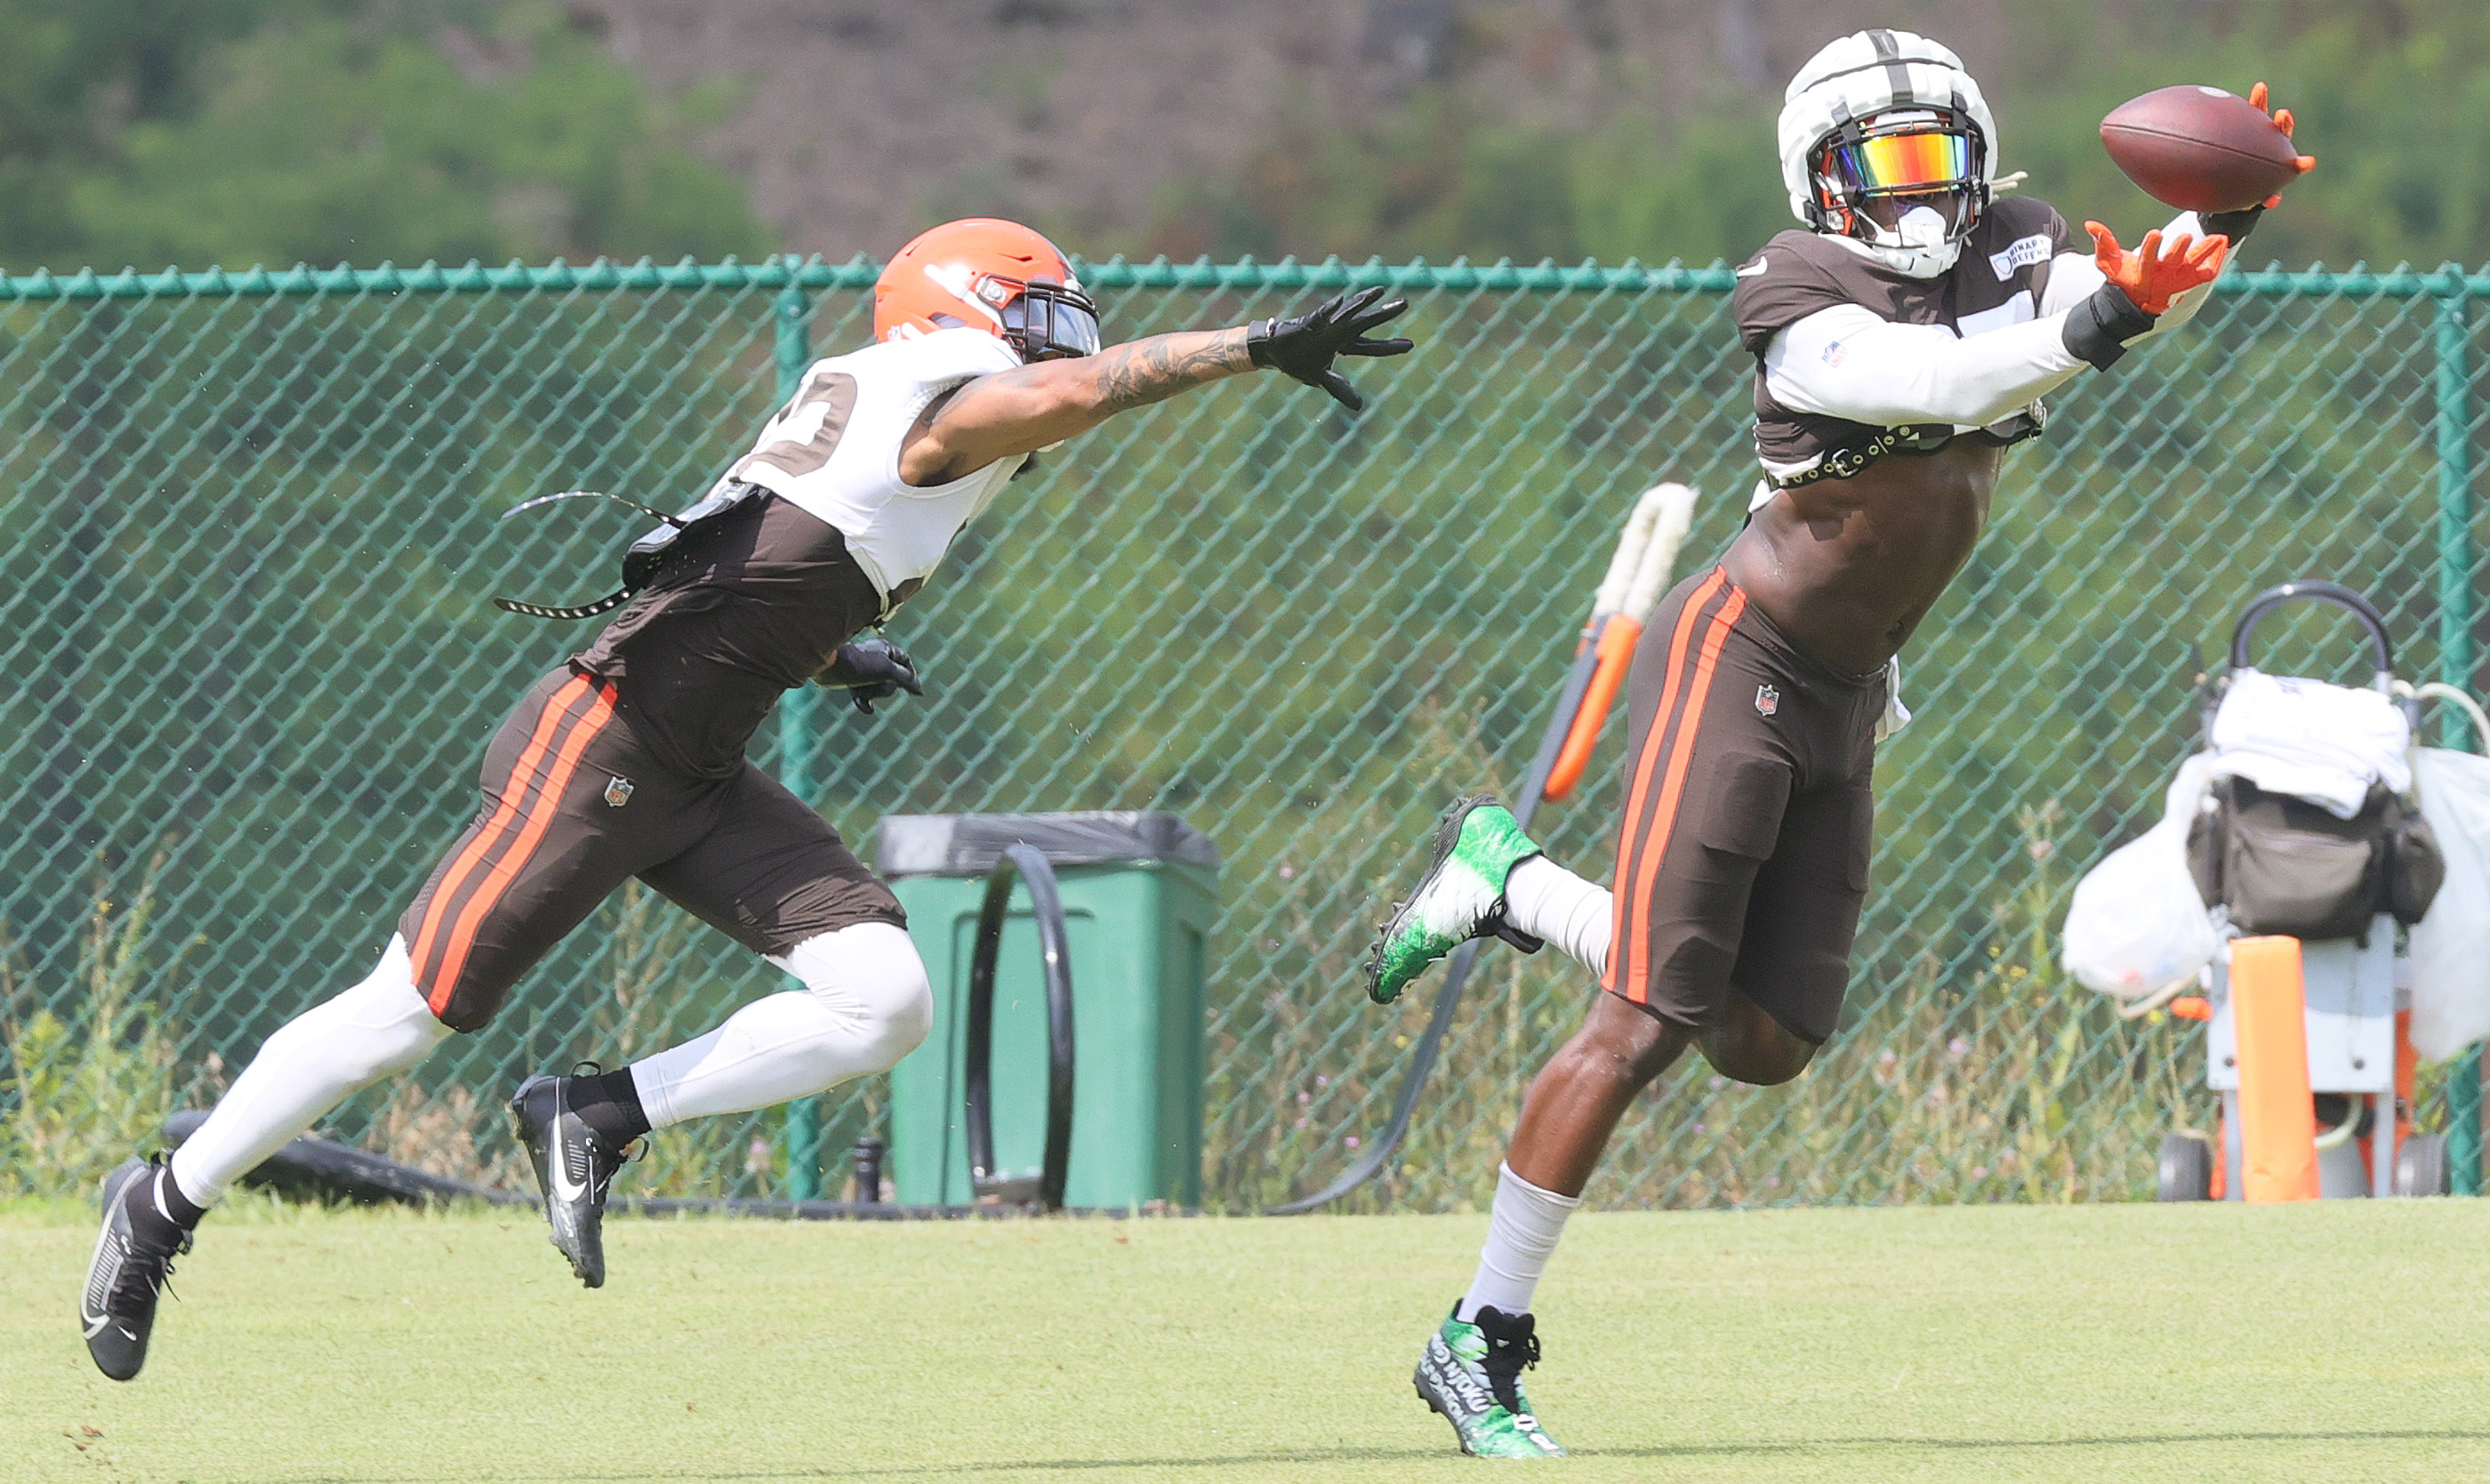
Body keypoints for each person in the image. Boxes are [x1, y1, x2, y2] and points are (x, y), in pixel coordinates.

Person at [80, 217, 1413, 1381]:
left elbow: (753, 552)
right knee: (406, 1016)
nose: (1056, 349)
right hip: (603, 741)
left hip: (701, 765)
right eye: (1036, 322)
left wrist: (835, 650)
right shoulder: (945, 402)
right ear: (955, 313)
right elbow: (1075, 400)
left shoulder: (880, 397)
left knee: (884, 996)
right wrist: (1253, 345)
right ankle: (165, 1195)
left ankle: (600, 1112)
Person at [1361, 30, 2309, 1459]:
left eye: (1940, 152)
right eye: (1890, 161)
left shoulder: (2023, 238)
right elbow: (1950, 383)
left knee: (1769, 1042)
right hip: (1733, 659)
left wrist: (2222, 212)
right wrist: (2117, 306)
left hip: (1855, 683)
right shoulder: (1795, 288)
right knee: (1642, 1023)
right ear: (1821, 178)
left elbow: (2112, 298)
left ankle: (1516, 886)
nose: (1925, 188)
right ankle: (1476, 1340)